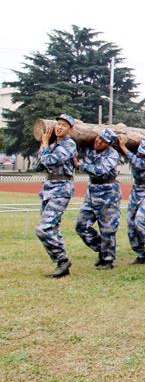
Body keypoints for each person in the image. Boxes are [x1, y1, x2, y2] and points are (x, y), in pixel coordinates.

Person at [35, 114, 78, 277]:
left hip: (61, 188)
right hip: (49, 188)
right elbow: (38, 165)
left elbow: (51, 161)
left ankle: (62, 258)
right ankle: (62, 265)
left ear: (70, 130)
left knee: (43, 228)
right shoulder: (52, 145)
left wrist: (45, 145)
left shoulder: (69, 144)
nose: (59, 127)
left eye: (64, 125)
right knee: (52, 228)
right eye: (58, 124)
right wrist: (44, 145)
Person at [75, 128, 122, 269]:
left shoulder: (112, 155)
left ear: (109, 144)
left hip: (108, 193)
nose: (98, 141)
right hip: (92, 192)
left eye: (103, 141)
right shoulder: (90, 149)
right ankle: (102, 249)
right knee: (81, 226)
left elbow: (100, 170)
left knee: (107, 228)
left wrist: (80, 165)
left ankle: (108, 260)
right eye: (99, 137)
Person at [120, 137, 145, 265]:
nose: (142, 153)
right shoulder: (137, 152)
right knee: (131, 225)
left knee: (141, 222)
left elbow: (139, 163)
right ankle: (140, 254)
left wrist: (123, 147)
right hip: (136, 190)